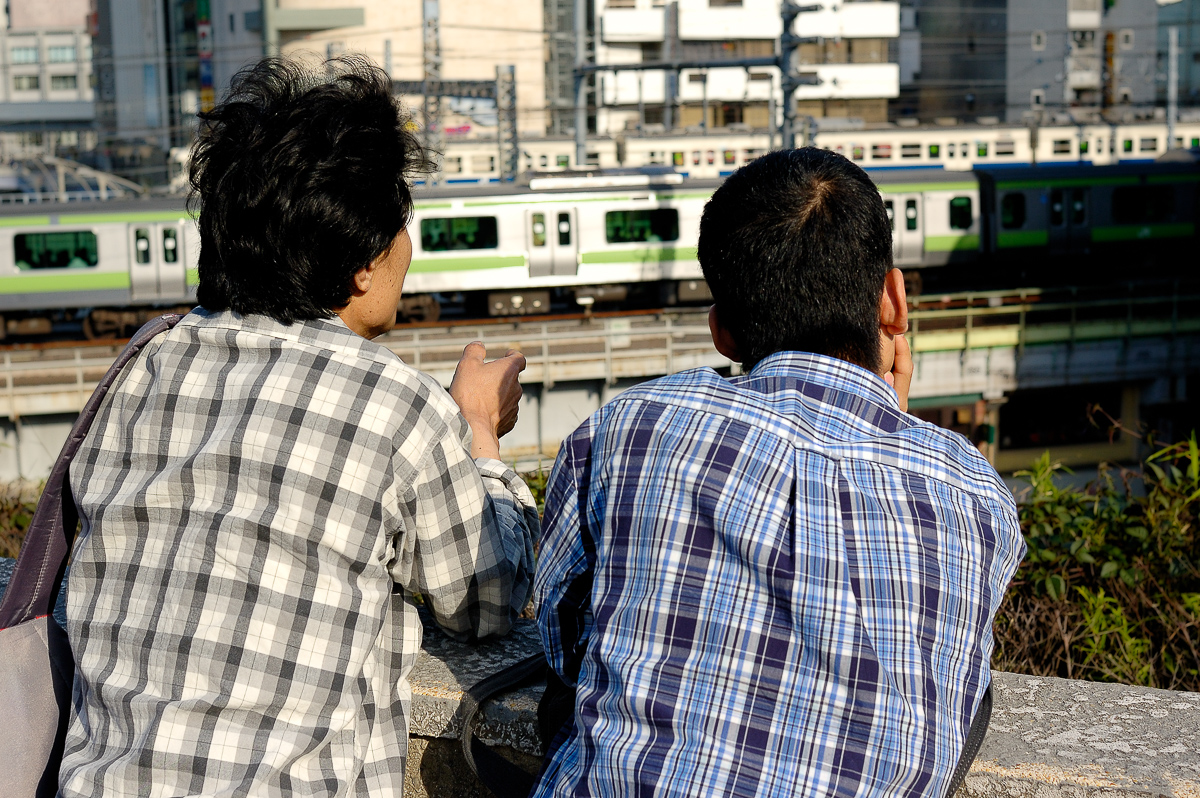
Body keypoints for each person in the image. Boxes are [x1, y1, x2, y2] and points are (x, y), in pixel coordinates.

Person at [59, 57, 538, 796]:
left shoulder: (141, 367)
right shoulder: (392, 400)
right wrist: (478, 431)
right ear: (362, 263)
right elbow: (488, 599)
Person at [533, 148, 1026, 797]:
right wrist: (888, 425)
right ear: (895, 303)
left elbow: (566, 647)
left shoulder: (630, 428)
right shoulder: (975, 494)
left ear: (722, 332)